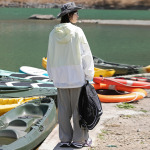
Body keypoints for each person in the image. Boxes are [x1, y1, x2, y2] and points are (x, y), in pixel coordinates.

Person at [47, 2, 94, 148]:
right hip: (76, 76)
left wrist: (52, 75)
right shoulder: (77, 31)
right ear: (69, 15)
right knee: (78, 109)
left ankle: (65, 139)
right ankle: (79, 140)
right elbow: (86, 55)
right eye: (76, 13)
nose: (78, 15)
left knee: (63, 109)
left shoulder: (53, 33)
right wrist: (89, 74)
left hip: (60, 78)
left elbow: (50, 55)